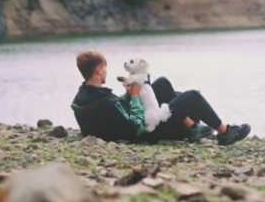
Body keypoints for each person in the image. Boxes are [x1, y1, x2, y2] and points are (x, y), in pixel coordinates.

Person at [70, 51, 251, 145]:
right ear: (98, 70)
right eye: (105, 67)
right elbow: (137, 127)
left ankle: (190, 127)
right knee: (192, 96)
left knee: (162, 84)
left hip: (121, 126)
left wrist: (127, 95)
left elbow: (116, 112)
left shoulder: (83, 96)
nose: (106, 71)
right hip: (147, 133)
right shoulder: (106, 102)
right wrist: (134, 97)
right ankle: (225, 132)